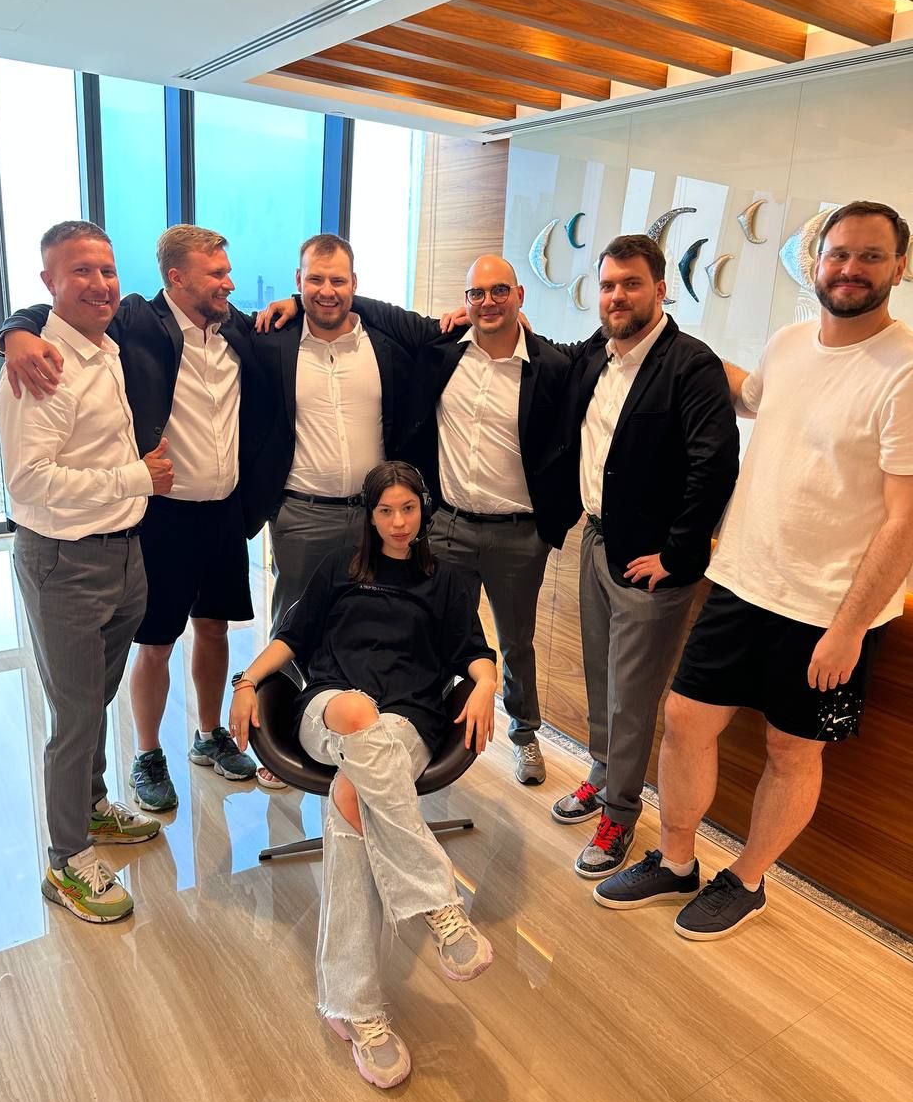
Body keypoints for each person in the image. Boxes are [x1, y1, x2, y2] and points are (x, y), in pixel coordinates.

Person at [595, 201, 913, 937]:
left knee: (791, 749)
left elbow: (904, 521)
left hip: (826, 610)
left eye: (870, 256)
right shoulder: (790, 343)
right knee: (684, 721)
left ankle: (746, 879)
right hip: (742, 582)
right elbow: (748, 396)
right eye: (838, 254)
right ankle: (677, 859)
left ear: (899, 267)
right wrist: (668, 342)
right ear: (816, 262)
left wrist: (849, 630)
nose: (851, 269)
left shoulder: (904, 371)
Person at [259, 255, 576, 788]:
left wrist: (556, 518)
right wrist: (300, 301)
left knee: (515, 640)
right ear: (465, 300)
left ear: (520, 295)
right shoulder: (442, 349)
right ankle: (393, 726)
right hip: (447, 525)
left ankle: (521, 733)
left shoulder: (551, 364)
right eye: (477, 294)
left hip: (519, 533)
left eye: (500, 292)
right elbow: (377, 310)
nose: (488, 302)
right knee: (423, 627)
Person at [228, 461, 498, 1089]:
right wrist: (246, 682)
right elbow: (291, 637)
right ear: (370, 515)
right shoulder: (339, 569)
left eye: (409, 509)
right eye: (386, 510)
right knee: (355, 712)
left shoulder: (448, 581)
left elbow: (474, 652)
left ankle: (353, 1008)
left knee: (351, 791)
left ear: (422, 511)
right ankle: (437, 900)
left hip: (409, 724)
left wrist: (488, 684)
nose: (399, 522)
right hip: (329, 711)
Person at [0, 225, 266, 810]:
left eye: (227, 272)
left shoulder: (235, 329)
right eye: (217, 274)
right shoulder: (137, 320)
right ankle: (148, 753)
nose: (229, 283)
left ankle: (209, 734)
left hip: (223, 512)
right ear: (177, 277)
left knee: (214, 627)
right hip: (161, 512)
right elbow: (60, 311)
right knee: (157, 642)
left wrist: (293, 302)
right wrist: (13, 334)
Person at [541, 234, 738, 881]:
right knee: (602, 679)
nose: (617, 296)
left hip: (650, 565)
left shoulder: (691, 365)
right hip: (597, 540)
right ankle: (603, 776)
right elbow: (541, 354)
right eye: (607, 285)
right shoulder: (598, 355)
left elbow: (715, 466)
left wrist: (678, 555)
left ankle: (620, 814)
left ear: (660, 289)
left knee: (631, 698)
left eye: (631, 283)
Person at [0, 221, 173, 923]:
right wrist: (137, 478)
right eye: (80, 271)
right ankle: (66, 860)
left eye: (106, 269)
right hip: (64, 561)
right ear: (49, 283)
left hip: (122, 552)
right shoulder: (40, 365)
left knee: (94, 701)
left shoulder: (107, 349)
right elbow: (28, 481)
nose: (99, 283)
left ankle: (93, 803)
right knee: (73, 717)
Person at [240, 233, 426, 784]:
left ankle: (365, 724)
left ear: (355, 285)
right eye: (315, 280)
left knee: (374, 618)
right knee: (293, 623)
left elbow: (441, 331)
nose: (327, 290)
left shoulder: (385, 345)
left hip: (376, 516)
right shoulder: (272, 342)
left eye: (338, 280)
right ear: (298, 282)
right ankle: (280, 738)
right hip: (302, 512)